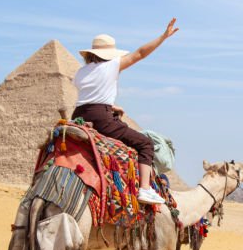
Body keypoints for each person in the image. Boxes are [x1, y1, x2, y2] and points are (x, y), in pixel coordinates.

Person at [72, 18, 179, 205]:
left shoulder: (81, 72)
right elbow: (140, 54)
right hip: (101, 118)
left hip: (78, 115)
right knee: (145, 144)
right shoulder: (110, 66)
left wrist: (112, 106)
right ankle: (145, 188)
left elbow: (89, 97)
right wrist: (163, 37)